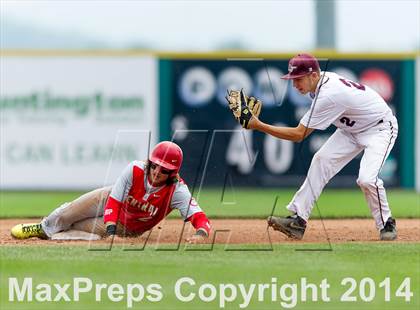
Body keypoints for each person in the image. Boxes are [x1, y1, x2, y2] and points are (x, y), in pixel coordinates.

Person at [228, 53, 398, 241]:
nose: (294, 84)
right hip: (350, 130)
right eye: (292, 79)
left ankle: (387, 223)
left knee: (366, 179)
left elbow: (298, 134)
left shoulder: (330, 94)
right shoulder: (319, 84)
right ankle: (298, 221)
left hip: (379, 129)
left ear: (314, 76)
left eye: (298, 79)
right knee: (320, 160)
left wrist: (258, 125)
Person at [11, 141, 211, 243]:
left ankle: (51, 236)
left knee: (78, 229)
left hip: (129, 225)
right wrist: (111, 230)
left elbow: (200, 217)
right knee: (69, 212)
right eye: (155, 165)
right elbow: (114, 201)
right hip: (110, 199)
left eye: (165, 169)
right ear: (150, 162)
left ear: (173, 173)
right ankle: (42, 227)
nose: (158, 172)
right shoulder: (135, 169)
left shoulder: (177, 190)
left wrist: (201, 234)